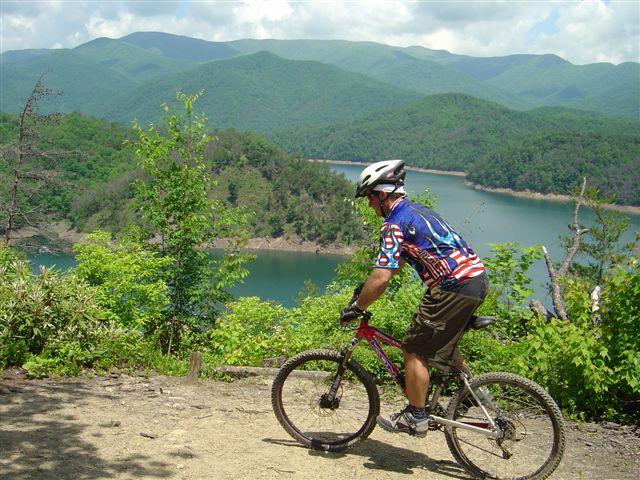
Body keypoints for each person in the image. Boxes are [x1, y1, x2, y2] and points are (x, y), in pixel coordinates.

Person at [339, 159, 488, 436]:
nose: (369, 205)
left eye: (370, 198)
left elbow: (382, 276)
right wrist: (366, 286)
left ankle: (416, 416)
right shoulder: (417, 211)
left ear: (382, 194)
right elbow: (394, 265)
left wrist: (358, 307)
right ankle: (473, 393)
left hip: (452, 286)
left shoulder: (394, 224)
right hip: (475, 280)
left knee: (415, 349)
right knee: (441, 341)